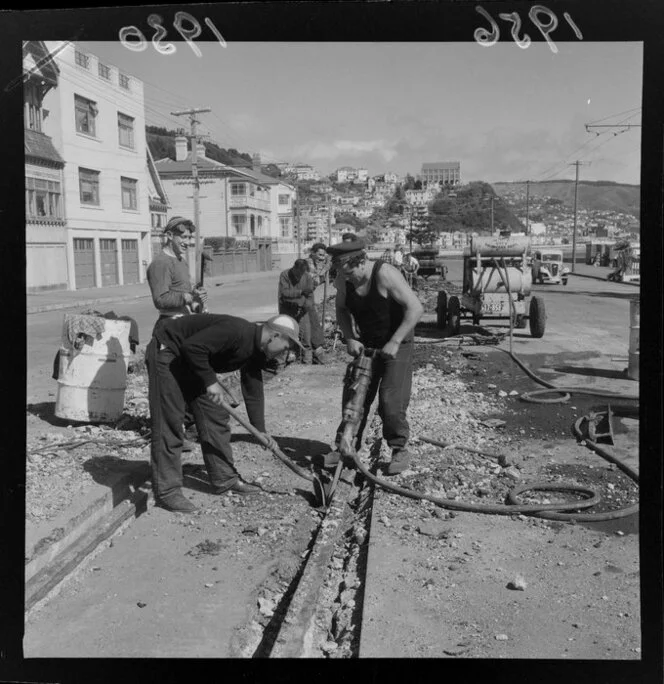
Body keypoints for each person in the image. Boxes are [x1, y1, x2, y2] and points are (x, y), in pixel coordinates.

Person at [146, 313, 303, 513]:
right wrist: (210, 381)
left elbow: (253, 389)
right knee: (170, 421)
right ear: (275, 336)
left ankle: (225, 479)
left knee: (215, 417)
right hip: (168, 352)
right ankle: (167, 491)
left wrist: (260, 430)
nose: (285, 352)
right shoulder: (236, 331)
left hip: (191, 361)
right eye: (287, 346)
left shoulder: (256, 349)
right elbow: (192, 347)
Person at [326, 238, 423, 475]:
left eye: (348, 274)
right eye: (342, 274)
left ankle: (399, 448)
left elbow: (416, 308)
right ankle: (346, 446)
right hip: (368, 343)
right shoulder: (343, 277)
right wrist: (349, 337)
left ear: (361, 262)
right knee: (355, 396)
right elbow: (341, 308)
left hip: (397, 343)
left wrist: (395, 341)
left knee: (390, 401)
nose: (345, 279)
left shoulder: (385, 274)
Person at [146, 216, 208, 450]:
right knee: (169, 385)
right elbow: (160, 299)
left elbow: (186, 296)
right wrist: (187, 297)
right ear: (169, 235)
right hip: (168, 328)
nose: (187, 241)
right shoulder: (161, 263)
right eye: (183, 236)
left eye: (190, 237)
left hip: (185, 326)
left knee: (188, 379)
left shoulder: (180, 261)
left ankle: (188, 429)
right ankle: (171, 436)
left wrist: (197, 299)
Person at [277, 259, 326, 364]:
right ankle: (282, 364)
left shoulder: (307, 276)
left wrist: (305, 305)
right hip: (288, 310)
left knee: (306, 338)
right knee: (286, 337)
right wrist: (300, 292)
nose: (299, 276)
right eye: (298, 273)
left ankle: (307, 363)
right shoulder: (285, 275)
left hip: (303, 310)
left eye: (302, 273)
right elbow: (284, 292)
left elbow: (309, 296)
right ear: (294, 268)